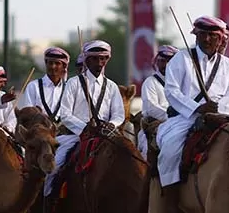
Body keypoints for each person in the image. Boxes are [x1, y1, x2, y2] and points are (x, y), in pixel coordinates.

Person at [157, 17, 229, 213]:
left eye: (213, 36)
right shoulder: (181, 59)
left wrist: (220, 110)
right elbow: (172, 92)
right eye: (203, 35)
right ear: (196, 35)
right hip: (185, 118)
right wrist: (198, 108)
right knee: (169, 151)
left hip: (224, 116)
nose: (207, 39)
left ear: (220, 39)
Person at [42, 40, 126, 201]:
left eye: (103, 59)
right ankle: (48, 206)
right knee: (54, 168)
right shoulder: (73, 83)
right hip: (75, 136)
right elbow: (65, 114)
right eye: (95, 59)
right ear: (87, 60)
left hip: (106, 135)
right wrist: (84, 128)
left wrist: (112, 124)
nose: (99, 63)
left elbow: (118, 115)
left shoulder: (112, 86)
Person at [138, 45, 179, 156]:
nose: (165, 65)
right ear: (157, 62)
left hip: (178, 124)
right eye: (162, 61)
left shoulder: (180, 83)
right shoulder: (150, 82)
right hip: (155, 127)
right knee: (150, 151)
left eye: (169, 61)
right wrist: (172, 116)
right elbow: (151, 108)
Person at [18, 47, 70, 120]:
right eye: (50, 63)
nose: (53, 66)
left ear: (64, 66)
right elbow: (28, 112)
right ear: (46, 64)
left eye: (57, 63)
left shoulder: (69, 87)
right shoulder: (33, 86)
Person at [0, 65, 20, 132]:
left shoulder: (3, 95)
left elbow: (12, 119)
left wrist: (8, 128)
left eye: (4, 82)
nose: (3, 85)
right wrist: (1, 101)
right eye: (0, 82)